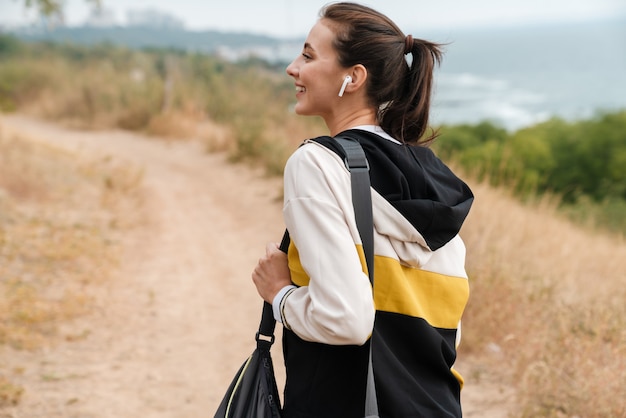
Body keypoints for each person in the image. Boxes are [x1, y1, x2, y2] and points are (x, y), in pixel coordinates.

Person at [252, 2, 474, 417]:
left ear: (353, 78)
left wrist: (278, 294)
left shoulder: (317, 163)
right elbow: (447, 331)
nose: (292, 68)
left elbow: (346, 320)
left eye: (308, 55)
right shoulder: (434, 179)